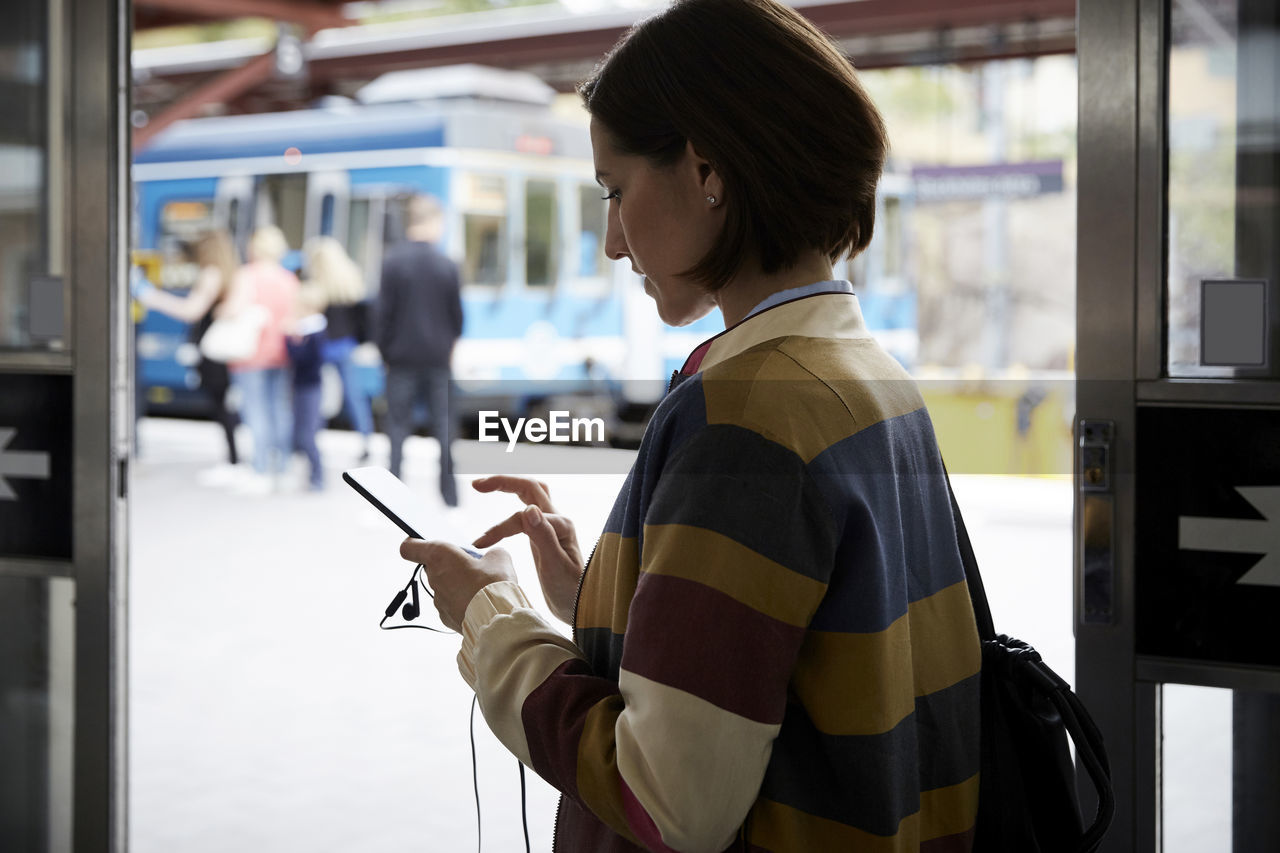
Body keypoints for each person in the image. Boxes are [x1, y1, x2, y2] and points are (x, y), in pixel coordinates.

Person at [399, 1, 982, 850]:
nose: (610, 240)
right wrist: (602, 596)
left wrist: (494, 617)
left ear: (706, 169)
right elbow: (812, 658)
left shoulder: (743, 418)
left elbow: (667, 798)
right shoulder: (870, 376)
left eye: (615, 190)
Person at [375, 194, 463, 506]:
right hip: (439, 360)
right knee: (444, 427)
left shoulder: (392, 262)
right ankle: (450, 499)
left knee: (397, 428)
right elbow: (457, 319)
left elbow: (383, 316)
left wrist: (385, 354)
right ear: (434, 221)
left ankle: (394, 499)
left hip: (400, 360)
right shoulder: (447, 264)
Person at [133, 230, 242, 481]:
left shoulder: (211, 273)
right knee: (224, 402)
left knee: (220, 404)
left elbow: (191, 310)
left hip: (210, 349)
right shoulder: (230, 272)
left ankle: (233, 460)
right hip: (220, 349)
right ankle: (234, 458)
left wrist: (150, 295)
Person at [221, 225, 300, 494]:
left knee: (256, 411)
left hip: (251, 355)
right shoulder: (288, 279)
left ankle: (260, 468)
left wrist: (221, 311)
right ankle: (284, 466)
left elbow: (233, 310)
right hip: (281, 354)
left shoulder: (247, 276)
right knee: (280, 410)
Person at [304, 235, 375, 462]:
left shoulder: (315, 284)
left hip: (322, 346)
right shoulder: (350, 280)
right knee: (355, 396)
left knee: (318, 395)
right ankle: (365, 439)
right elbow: (363, 318)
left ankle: (312, 438)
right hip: (346, 345)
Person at [285, 285, 329, 492]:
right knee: (302, 432)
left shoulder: (313, 332)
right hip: (307, 386)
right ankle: (312, 475)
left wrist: (289, 340)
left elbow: (302, 358)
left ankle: (318, 477)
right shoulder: (314, 330)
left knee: (307, 434)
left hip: (309, 388)